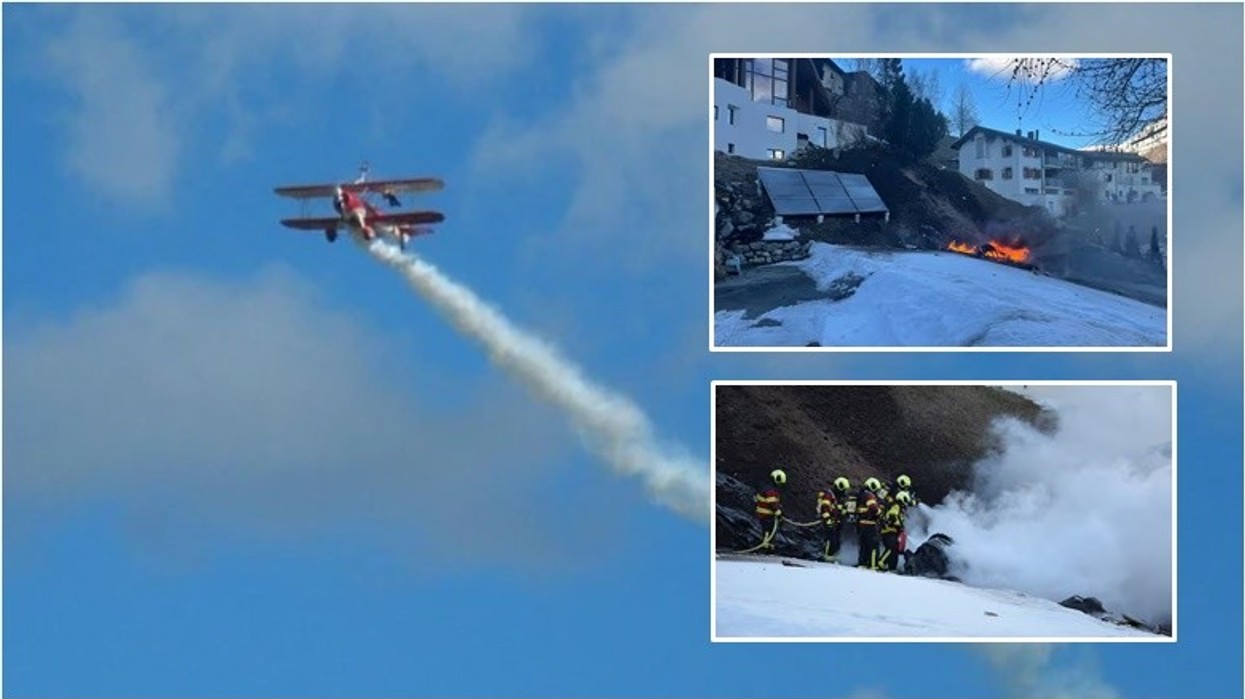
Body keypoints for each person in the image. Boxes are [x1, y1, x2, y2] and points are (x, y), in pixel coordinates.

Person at [878, 490, 913, 572]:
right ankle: (881, 562)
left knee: (895, 549)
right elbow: (892, 516)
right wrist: (898, 524)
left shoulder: (898, 507)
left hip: (892, 531)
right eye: (905, 501)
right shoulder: (896, 506)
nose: (906, 504)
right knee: (891, 547)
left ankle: (892, 567)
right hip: (889, 530)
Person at [753, 469, 786, 550]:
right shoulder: (770, 490)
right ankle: (766, 546)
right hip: (766, 514)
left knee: (767, 530)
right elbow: (772, 502)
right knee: (768, 531)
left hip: (762, 513)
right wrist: (778, 512)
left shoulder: (765, 487)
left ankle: (768, 545)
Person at [855, 477, 883, 569]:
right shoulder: (869, 496)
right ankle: (873, 565)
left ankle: (862, 563)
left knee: (864, 545)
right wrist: (880, 512)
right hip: (870, 524)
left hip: (861, 524)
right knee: (873, 545)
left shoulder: (861, 495)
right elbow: (873, 508)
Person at [816, 484, 843, 561]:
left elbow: (834, 509)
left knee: (833, 538)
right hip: (827, 520)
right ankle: (826, 554)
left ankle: (830, 555)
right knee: (830, 538)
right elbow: (825, 507)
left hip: (831, 520)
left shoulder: (833, 496)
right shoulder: (828, 495)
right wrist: (827, 519)